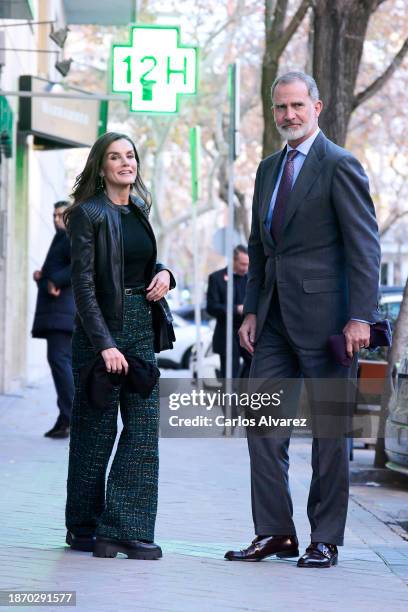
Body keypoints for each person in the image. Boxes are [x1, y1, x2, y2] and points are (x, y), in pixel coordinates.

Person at [224, 72, 381, 568]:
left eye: (297, 105)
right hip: (272, 322)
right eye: (280, 107)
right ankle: (275, 533)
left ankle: (325, 538)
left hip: (330, 323)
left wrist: (361, 316)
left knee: (329, 433)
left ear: (318, 106)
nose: (288, 115)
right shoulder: (268, 168)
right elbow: (258, 245)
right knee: (262, 426)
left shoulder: (340, 165)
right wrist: (251, 309)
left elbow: (364, 247)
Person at [64, 132, 175, 560]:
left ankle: (125, 527)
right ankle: (84, 526)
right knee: (95, 432)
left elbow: (142, 262)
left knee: (145, 427)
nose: (125, 163)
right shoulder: (86, 214)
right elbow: (84, 286)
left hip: (141, 328)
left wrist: (165, 273)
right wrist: (105, 345)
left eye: (130, 156)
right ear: (102, 166)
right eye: (115, 157)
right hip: (100, 333)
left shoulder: (139, 210)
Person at [32, 201, 75, 439]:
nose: (57, 219)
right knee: (60, 362)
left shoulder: (71, 236)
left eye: (61, 215)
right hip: (57, 312)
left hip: (62, 312)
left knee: (60, 362)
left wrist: (54, 281)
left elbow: (80, 265)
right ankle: (65, 418)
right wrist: (42, 276)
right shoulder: (60, 238)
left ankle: (71, 418)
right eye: (54, 215)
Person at [206, 245, 252, 379]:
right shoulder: (217, 278)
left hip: (248, 333)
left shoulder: (251, 279)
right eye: (242, 264)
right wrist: (235, 309)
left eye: (248, 264)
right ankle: (230, 398)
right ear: (233, 260)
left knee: (255, 369)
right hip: (226, 334)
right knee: (230, 376)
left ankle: (248, 398)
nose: (245, 268)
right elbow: (211, 307)